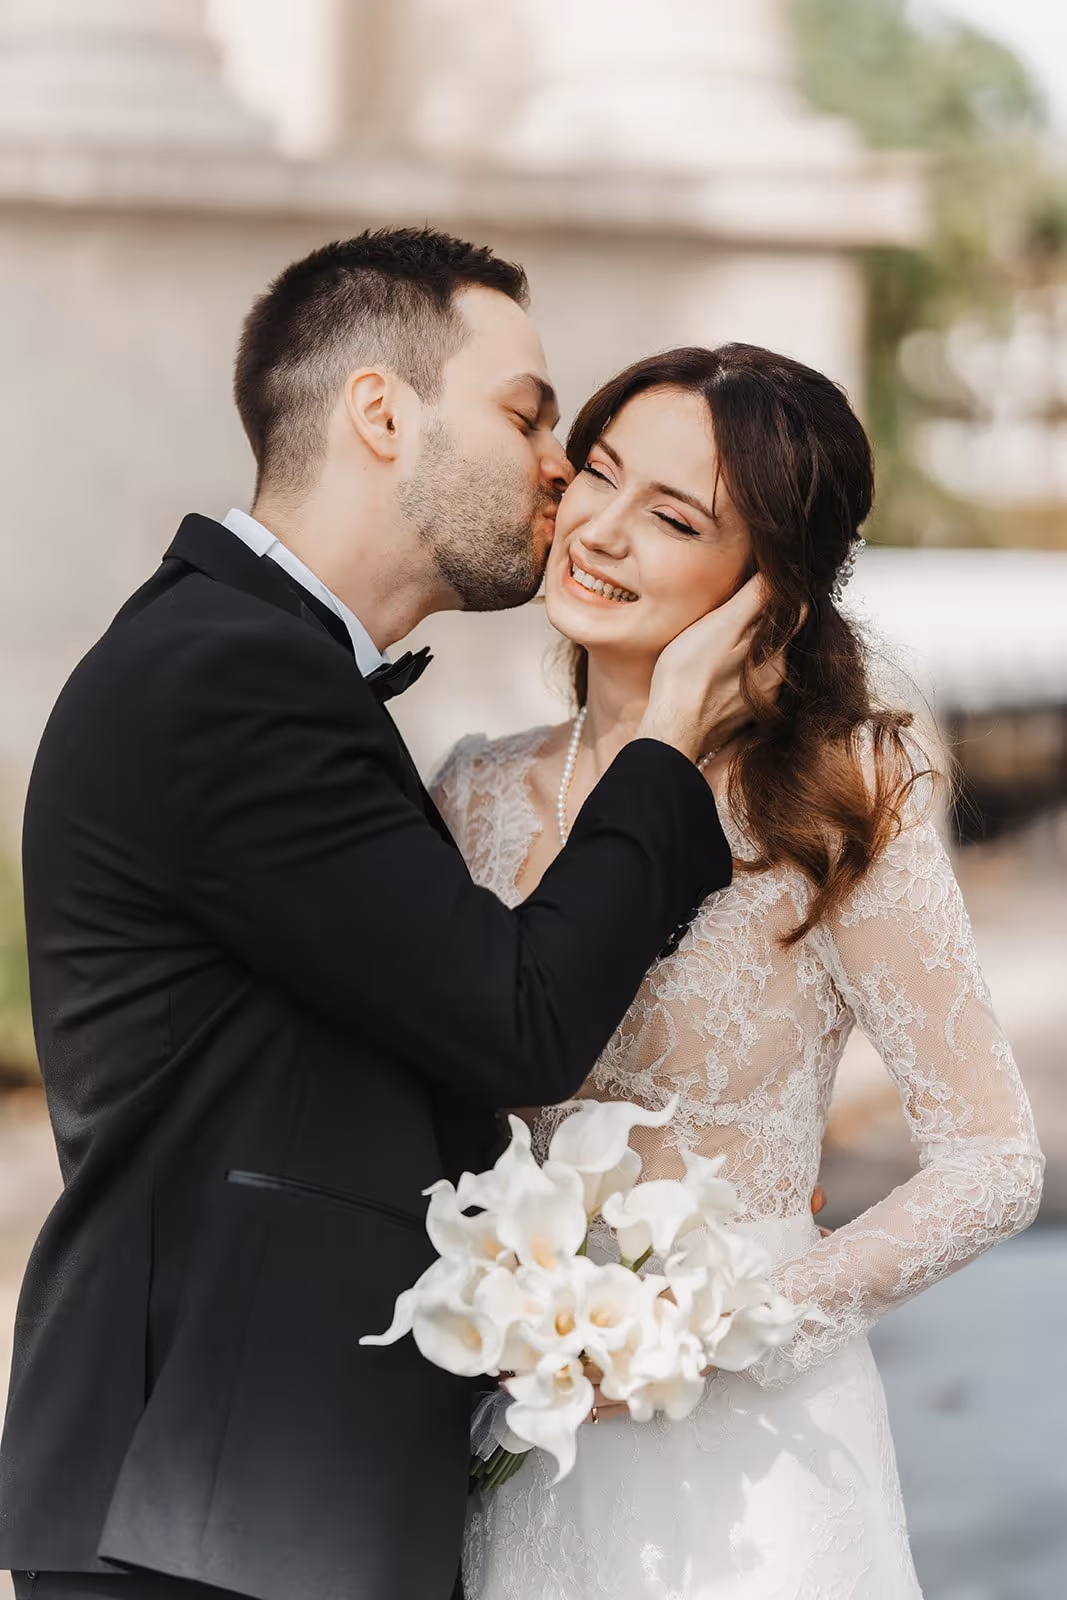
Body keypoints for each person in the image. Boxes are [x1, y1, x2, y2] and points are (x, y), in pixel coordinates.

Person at [0, 233, 783, 1600]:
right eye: (527, 412)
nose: (559, 463)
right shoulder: (230, 679)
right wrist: (665, 745)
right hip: (208, 1509)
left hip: (244, 1503)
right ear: (380, 412)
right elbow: (516, 1019)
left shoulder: (248, 662)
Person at [432, 345, 1046, 1600]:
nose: (597, 530)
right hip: (518, 1427)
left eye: (670, 518)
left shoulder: (835, 802)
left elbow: (994, 1160)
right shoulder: (473, 791)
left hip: (749, 1454)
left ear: (767, 585)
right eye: (596, 473)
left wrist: (713, 1331)